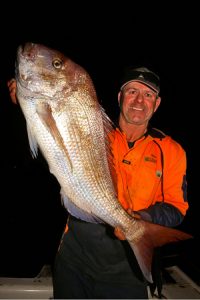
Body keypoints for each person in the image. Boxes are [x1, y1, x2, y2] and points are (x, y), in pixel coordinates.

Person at [7, 66, 189, 299]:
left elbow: (176, 208)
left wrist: (142, 219)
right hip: (74, 256)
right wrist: (26, 109)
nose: (139, 101)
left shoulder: (171, 150)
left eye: (148, 95)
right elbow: (54, 156)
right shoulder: (95, 134)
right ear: (120, 97)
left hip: (126, 266)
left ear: (157, 103)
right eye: (132, 91)